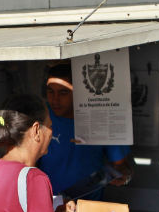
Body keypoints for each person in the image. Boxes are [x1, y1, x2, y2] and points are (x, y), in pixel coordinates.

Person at [37, 63, 133, 201]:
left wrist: (122, 176)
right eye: (50, 91)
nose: (55, 99)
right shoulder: (41, 116)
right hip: (49, 207)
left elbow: (121, 166)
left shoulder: (100, 117)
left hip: (88, 208)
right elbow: (26, 163)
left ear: (79, 92)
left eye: (63, 92)